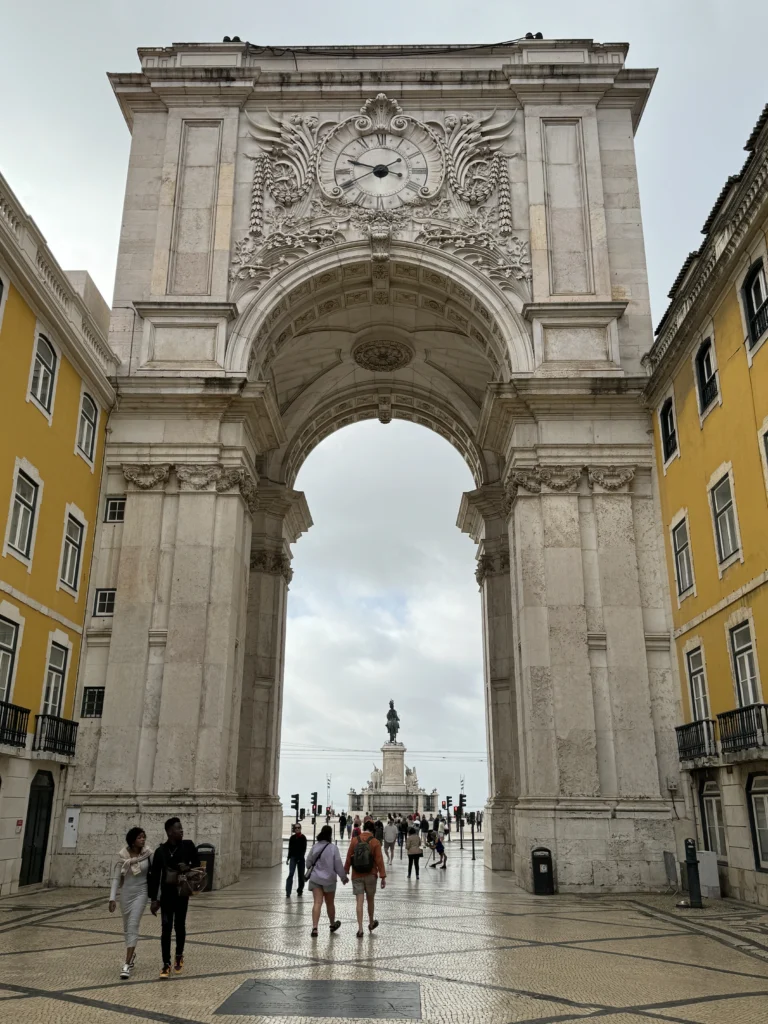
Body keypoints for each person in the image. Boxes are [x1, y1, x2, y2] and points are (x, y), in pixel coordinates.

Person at [148, 817, 200, 979]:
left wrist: (188, 867)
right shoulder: (161, 851)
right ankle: (166, 963)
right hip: (166, 894)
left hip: (182, 893)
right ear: (170, 832)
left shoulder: (188, 846)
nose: (182, 831)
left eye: (182, 828)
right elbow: (154, 877)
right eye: (179, 828)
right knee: (166, 927)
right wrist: (154, 900)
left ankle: (179, 954)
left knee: (179, 925)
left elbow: (198, 865)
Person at [109, 826, 153, 979]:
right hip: (126, 894)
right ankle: (132, 955)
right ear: (132, 840)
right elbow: (116, 878)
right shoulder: (122, 856)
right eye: (140, 837)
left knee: (133, 924)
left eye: (144, 837)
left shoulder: (148, 854)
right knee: (127, 927)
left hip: (142, 892)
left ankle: (126, 963)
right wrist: (112, 898)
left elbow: (156, 872)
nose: (143, 840)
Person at [344, 819, 386, 938]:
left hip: (356, 875)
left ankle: (360, 928)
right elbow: (379, 861)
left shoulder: (354, 840)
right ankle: (371, 923)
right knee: (370, 900)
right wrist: (383, 876)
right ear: (373, 830)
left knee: (359, 902)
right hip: (371, 875)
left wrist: (345, 871)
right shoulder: (375, 842)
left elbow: (348, 857)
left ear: (363, 829)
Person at [305, 825, 348, 937]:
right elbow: (338, 865)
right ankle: (332, 924)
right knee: (330, 903)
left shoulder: (315, 847)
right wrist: (343, 878)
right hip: (329, 880)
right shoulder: (333, 848)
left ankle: (315, 928)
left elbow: (308, 863)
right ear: (330, 835)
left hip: (316, 879)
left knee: (317, 903)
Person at [286, 821, 307, 898]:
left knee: (301, 875)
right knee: (291, 873)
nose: (297, 829)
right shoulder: (292, 838)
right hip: (293, 858)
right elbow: (290, 849)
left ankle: (300, 890)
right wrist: (288, 858)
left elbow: (303, 849)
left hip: (300, 859)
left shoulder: (303, 838)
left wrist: (300, 857)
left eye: (299, 828)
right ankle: (288, 891)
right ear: (294, 829)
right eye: (296, 828)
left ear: (300, 829)